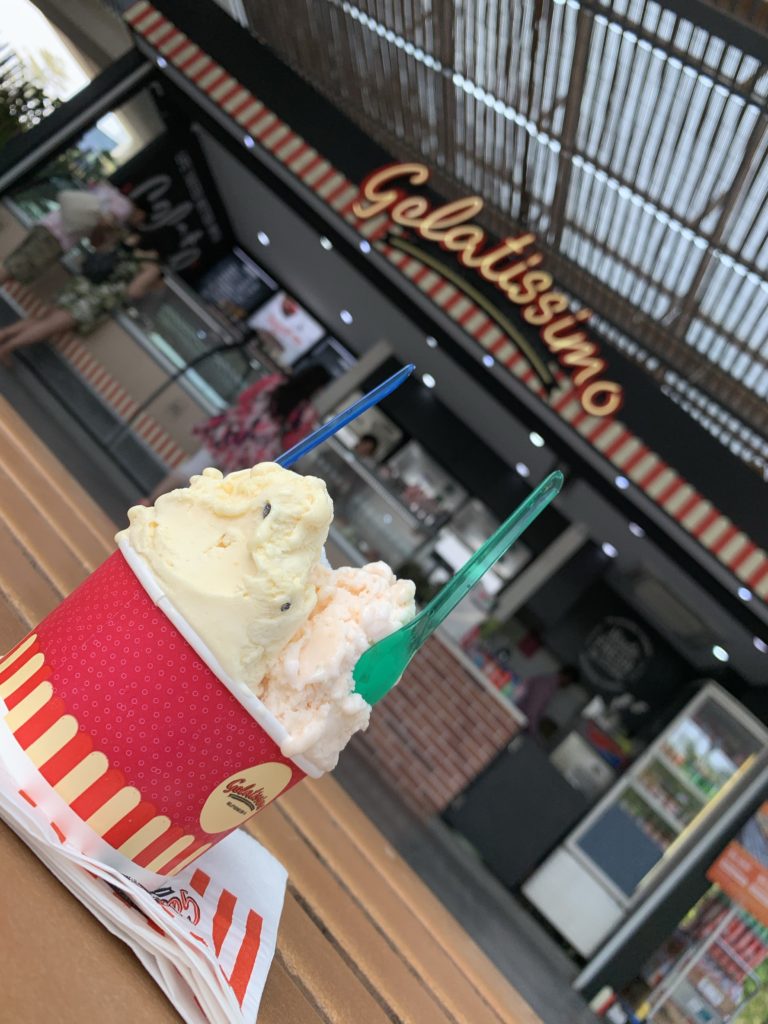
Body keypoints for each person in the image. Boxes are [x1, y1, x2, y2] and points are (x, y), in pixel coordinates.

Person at [148, 364, 331, 501]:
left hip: (231, 435)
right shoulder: (307, 414)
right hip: (253, 456)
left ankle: (150, 501)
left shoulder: (273, 382)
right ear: (319, 388)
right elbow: (289, 444)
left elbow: (244, 399)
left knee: (191, 470)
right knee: (221, 492)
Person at [0, 233, 165, 365]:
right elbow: (134, 291)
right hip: (93, 300)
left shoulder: (127, 241)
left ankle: (4, 334)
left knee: (44, 318)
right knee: (49, 326)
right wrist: (150, 286)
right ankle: (8, 347)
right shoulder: (151, 267)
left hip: (80, 285)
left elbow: (99, 247)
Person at [0, 183, 145, 288]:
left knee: (13, 265)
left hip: (47, 225)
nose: (139, 223)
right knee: (15, 268)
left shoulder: (105, 189)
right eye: (142, 219)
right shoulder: (125, 207)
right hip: (58, 238)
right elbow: (103, 225)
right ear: (140, 210)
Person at [516, 664, 579, 739]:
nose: (568, 686)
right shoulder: (546, 685)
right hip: (518, 720)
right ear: (567, 678)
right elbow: (532, 711)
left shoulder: (549, 684)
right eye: (570, 683)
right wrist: (534, 735)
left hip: (520, 721)